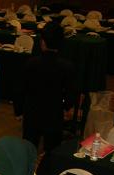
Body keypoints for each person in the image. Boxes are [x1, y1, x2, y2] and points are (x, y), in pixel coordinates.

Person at [15, 22, 76, 153]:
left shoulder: (31, 63)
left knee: (29, 148)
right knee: (52, 149)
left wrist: (18, 111)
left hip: (32, 111)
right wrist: (67, 107)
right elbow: (70, 92)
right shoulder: (67, 66)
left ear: (42, 43)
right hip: (54, 112)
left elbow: (20, 89)